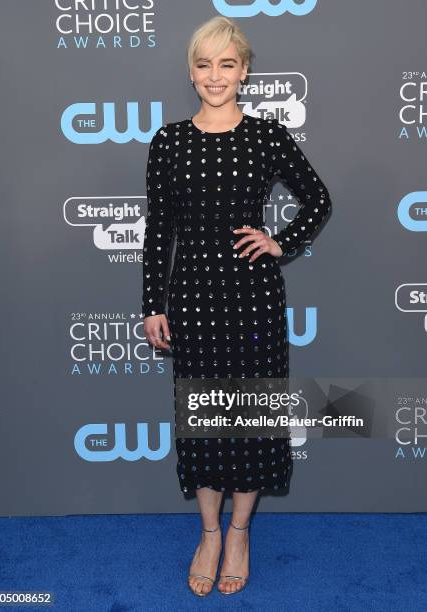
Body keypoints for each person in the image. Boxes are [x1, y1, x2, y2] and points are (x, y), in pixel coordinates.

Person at [142, 16, 332, 597]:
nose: (215, 76)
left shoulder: (267, 136)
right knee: (202, 421)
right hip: (194, 301)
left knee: (250, 422)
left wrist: (282, 241)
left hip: (253, 303)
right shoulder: (169, 141)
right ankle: (208, 533)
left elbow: (317, 200)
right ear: (191, 73)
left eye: (227, 64)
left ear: (244, 71)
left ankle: (241, 532)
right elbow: (159, 233)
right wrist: (154, 303)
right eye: (204, 64)